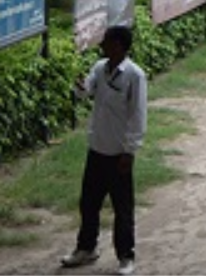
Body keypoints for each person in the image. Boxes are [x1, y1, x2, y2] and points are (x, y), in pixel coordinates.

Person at [61, 26, 148, 276]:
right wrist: (79, 87)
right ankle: (86, 248)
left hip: (118, 153)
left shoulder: (134, 75)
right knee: (88, 203)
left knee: (122, 208)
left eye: (108, 42)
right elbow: (86, 91)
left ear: (120, 46)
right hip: (97, 148)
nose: (103, 46)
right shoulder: (100, 68)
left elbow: (138, 116)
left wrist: (129, 151)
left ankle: (126, 256)